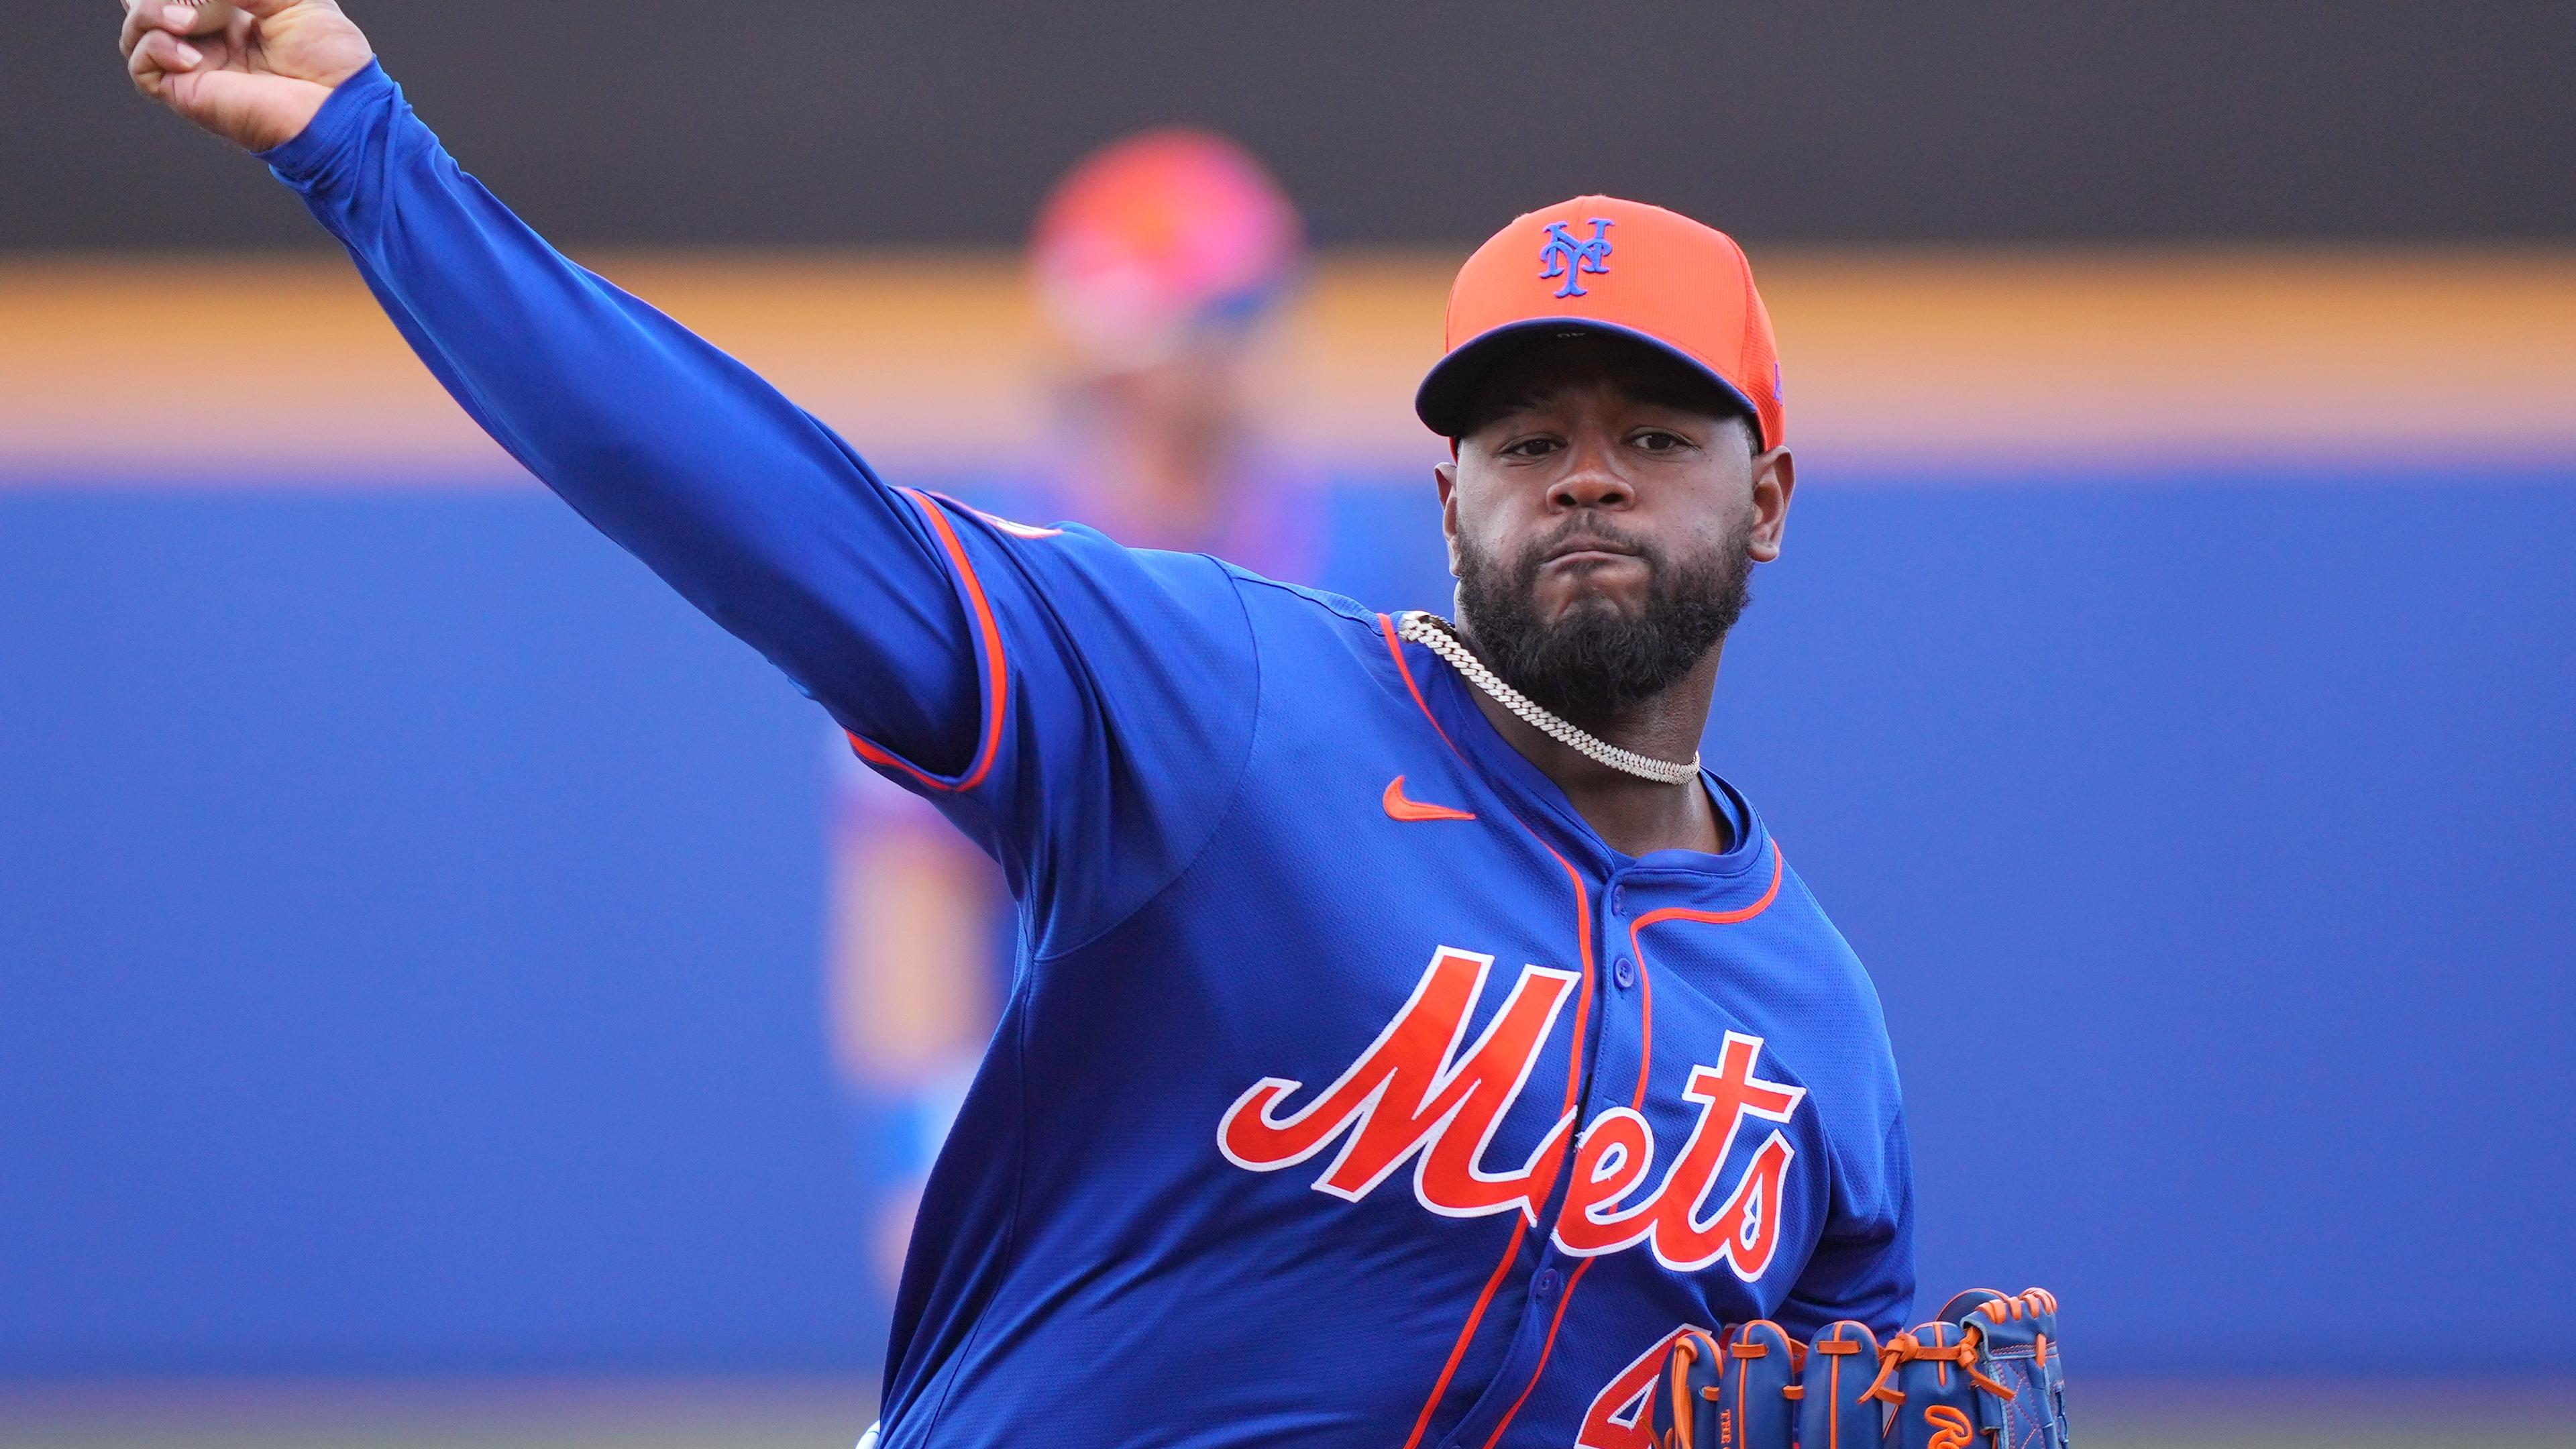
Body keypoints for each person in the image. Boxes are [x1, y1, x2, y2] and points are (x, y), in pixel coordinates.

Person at [119, 5, 1913, 1447]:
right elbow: (757, 510)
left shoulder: (1818, 1022)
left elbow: (1864, 1374)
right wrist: (375, 162)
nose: (1585, 477)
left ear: (1767, 496)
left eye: (1657, 434)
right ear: (1451, 492)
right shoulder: (1225, 690)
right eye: (1527, 439)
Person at [825, 127, 1337, 1303]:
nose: (1264, 342)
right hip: (1071, 1172)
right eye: (1230, 311)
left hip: (1304, 1157)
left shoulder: (1342, 553)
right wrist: (925, 1162)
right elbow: (908, 898)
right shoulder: (985, 583)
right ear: (1130, 359)